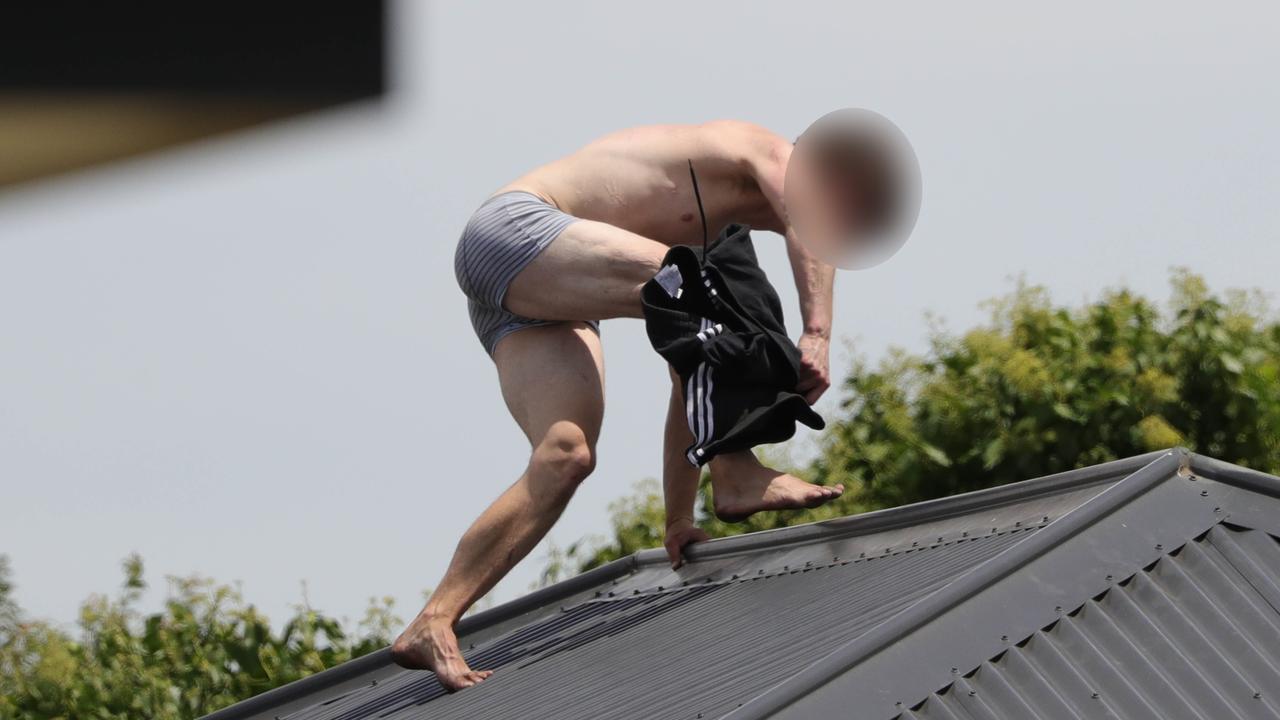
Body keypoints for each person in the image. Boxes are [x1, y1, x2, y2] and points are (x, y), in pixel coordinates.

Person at [392, 119, 910, 690]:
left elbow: (688, 378)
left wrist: (678, 518)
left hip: (536, 296)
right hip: (517, 231)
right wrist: (817, 331)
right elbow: (799, 219)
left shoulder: (715, 238)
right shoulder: (770, 154)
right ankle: (736, 474)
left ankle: (433, 620)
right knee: (708, 292)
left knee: (566, 455)